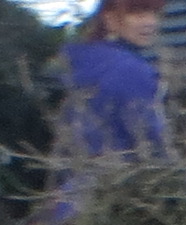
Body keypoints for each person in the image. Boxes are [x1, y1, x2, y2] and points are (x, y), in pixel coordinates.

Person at [60, 0, 169, 173]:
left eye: (153, 14)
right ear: (110, 19)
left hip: (72, 180)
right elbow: (151, 139)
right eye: (138, 14)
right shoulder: (132, 69)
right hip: (121, 180)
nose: (150, 22)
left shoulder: (75, 63)